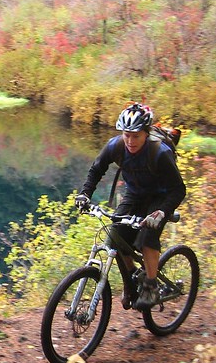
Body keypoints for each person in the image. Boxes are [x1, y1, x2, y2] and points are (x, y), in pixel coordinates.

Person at [74, 103, 186, 310]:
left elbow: (178, 189)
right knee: (115, 236)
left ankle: (151, 285)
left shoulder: (159, 153)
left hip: (160, 198)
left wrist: (162, 212)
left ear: (146, 133)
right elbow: (96, 170)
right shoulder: (114, 146)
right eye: (127, 135)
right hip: (135, 194)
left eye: (136, 136)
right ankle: (132, 280)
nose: (130, 141)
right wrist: (85, 194)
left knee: (146, 237)